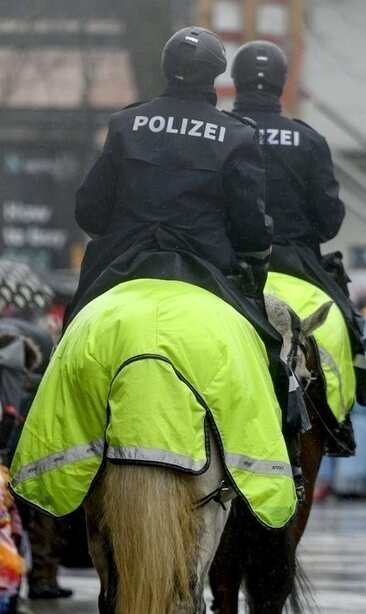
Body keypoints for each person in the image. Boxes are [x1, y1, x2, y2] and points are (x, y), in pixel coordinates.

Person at [69, 26, 301, 463]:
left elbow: (89, 212)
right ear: (216, 73)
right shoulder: (237, 135)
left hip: (119, 268)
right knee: (268, 357)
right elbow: (251, 230)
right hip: (207, 273)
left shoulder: (125, 124)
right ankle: (279, 465)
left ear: (165, 67)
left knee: (65, 353)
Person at [231, 40, 366, 424]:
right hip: (298, 261)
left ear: (236, 81)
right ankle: (351, 402)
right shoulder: (308, 140)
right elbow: (329, 223)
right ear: (282, 84)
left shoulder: (220, 133)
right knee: (349, 322)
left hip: (231, 261)